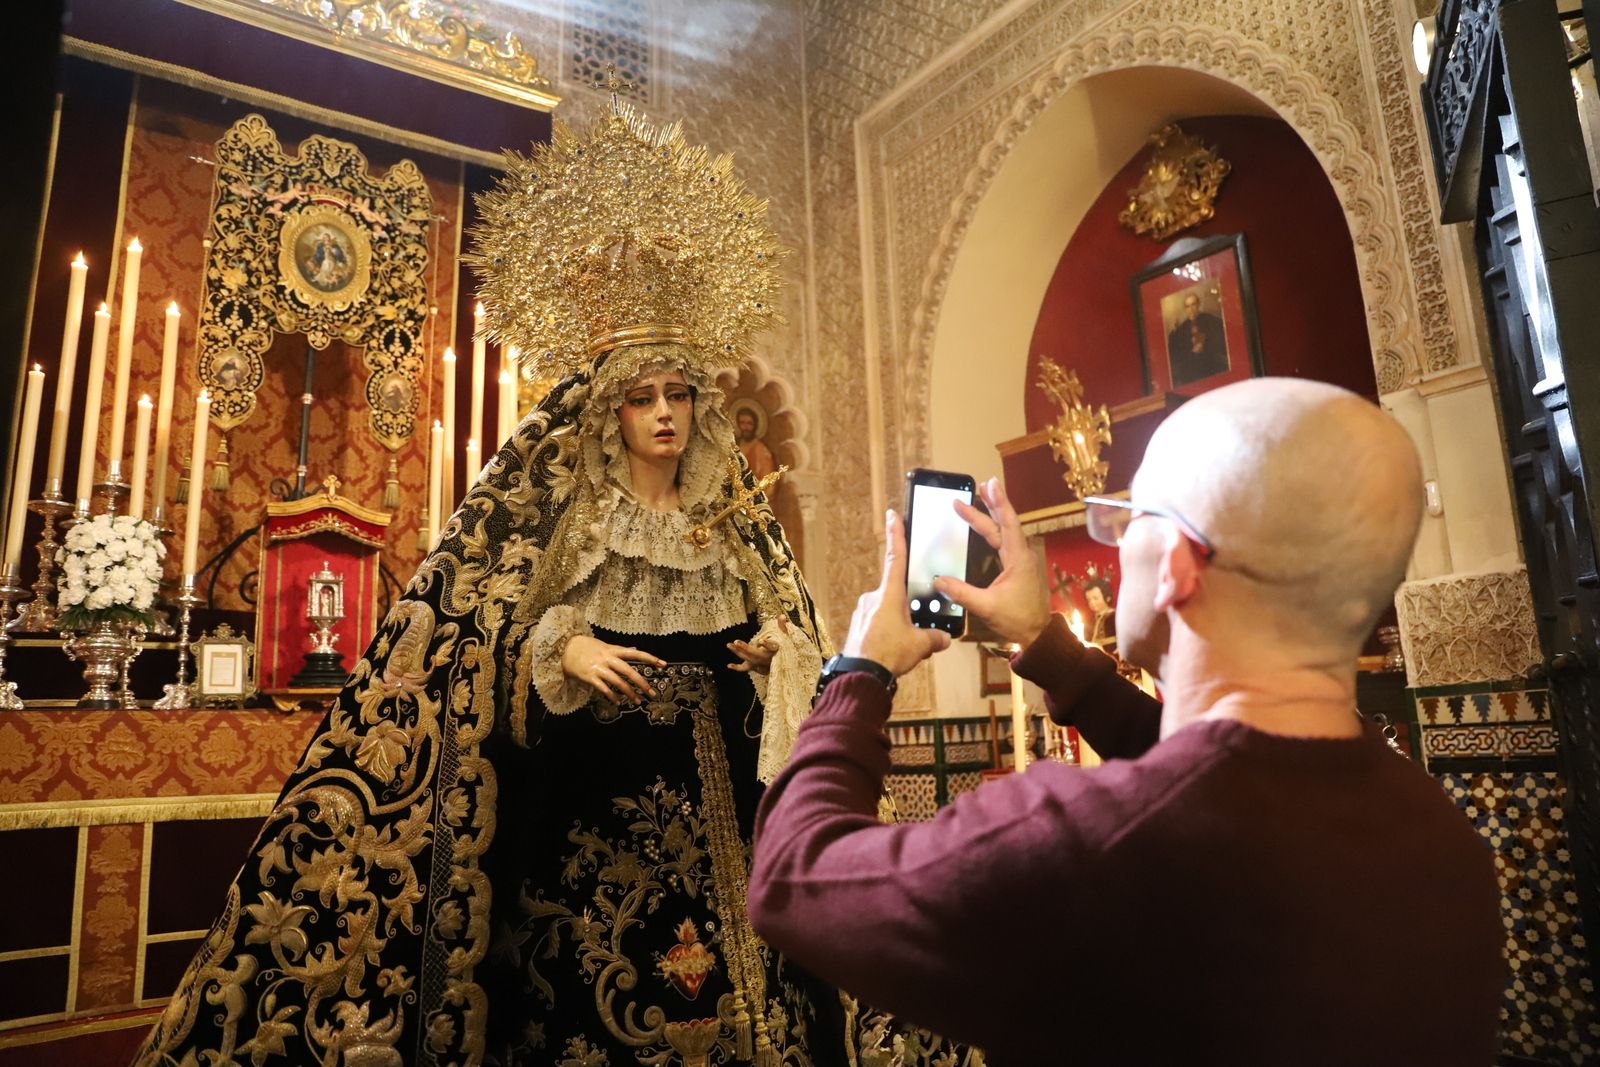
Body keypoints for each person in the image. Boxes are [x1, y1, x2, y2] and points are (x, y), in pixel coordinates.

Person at [134, 98, 973, 1067]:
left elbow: (791, 635)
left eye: (678, 394)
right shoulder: (552, 522)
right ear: (606, 413)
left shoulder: (739, 523)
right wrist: (564, 645)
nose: (663, 413)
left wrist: (776, 654)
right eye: (641, 397)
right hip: (591, 810)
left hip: (731, 819)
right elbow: (477, 648)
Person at [748, 378, 1505, 1065]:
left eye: (1128, 516)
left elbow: (793, 878)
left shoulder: (1089, 845)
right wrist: (1045, 645)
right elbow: (1218, 777)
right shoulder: (1439, 831)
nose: (1115, 545)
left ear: (1176, 560)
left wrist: (859, 671)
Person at [1166, 290, 1227, 386]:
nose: (1191, 309)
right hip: (1192, 372)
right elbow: (1177, 356)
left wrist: (1205, 346)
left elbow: (1220, 344)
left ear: (1198, 305)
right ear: (1185, 309)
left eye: (1193, 304)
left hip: (1211, 366)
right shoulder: (1180, 330)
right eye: (1188, 306)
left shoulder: (1211, 320)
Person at [735, 406, 778, 479]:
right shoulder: (735, 446)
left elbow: (768, 478)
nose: (745, 427)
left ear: (755, 425)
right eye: (742, 422)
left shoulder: (761, 449)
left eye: (749, 423)